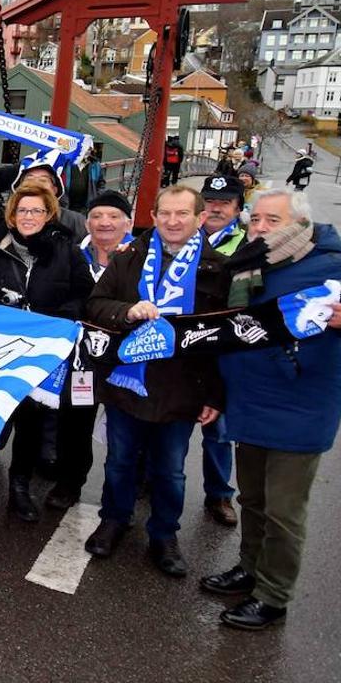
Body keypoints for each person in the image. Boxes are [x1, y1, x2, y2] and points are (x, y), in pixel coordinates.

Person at [201, 189, 341, 630]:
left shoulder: (331, 262)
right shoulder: (248, 261)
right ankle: (250, 568)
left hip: (300, 404)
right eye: (256, 219)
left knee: (284, 510)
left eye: (272, 221)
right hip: (250, 399)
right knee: (255, 498)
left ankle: (273, 595)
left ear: (299, 224)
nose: (260, 228)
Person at [84, 185, 230, 577]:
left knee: (171, 470)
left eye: (182, 213)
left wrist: (215, 394)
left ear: (199, 218)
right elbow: (96, 304)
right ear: (154, 214)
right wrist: (127, 311)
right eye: (165, 213)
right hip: (127, 381)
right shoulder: (129, 257)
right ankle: (114, 519)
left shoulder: (216, 267)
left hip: (182, 387)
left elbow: (224, 338)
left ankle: (164, 534)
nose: (172, 221)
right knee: (119, 462)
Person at [0, 181, 94, 529]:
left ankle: (20, 488)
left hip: (39, 351)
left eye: (36, 210)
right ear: (13, 213)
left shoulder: (66, 250)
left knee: (31, 422)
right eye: (22, 210)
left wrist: (57, 320)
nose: (28, 216)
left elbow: (84, 294)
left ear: (48, 214)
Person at [46, 189, 134, 511]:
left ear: (128, 223)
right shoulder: (71, 254)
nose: (104, 223)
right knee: (74, 421)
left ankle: (126, 490)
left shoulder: (142, 257)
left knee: (126, 428)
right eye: (97, 216)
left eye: (113, 216)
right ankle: (70, 481)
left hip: (125, 360)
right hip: (82, 358)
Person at [196, 174, 248, 526]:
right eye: (210, 201)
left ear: (237, 209)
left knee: (218, 430)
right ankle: (150, 480)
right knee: (167, 423)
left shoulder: (250, 245)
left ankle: (219, 494)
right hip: (182, 346)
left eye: (224, 203)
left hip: (221, 349)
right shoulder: (180, 234)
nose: (215, 208)